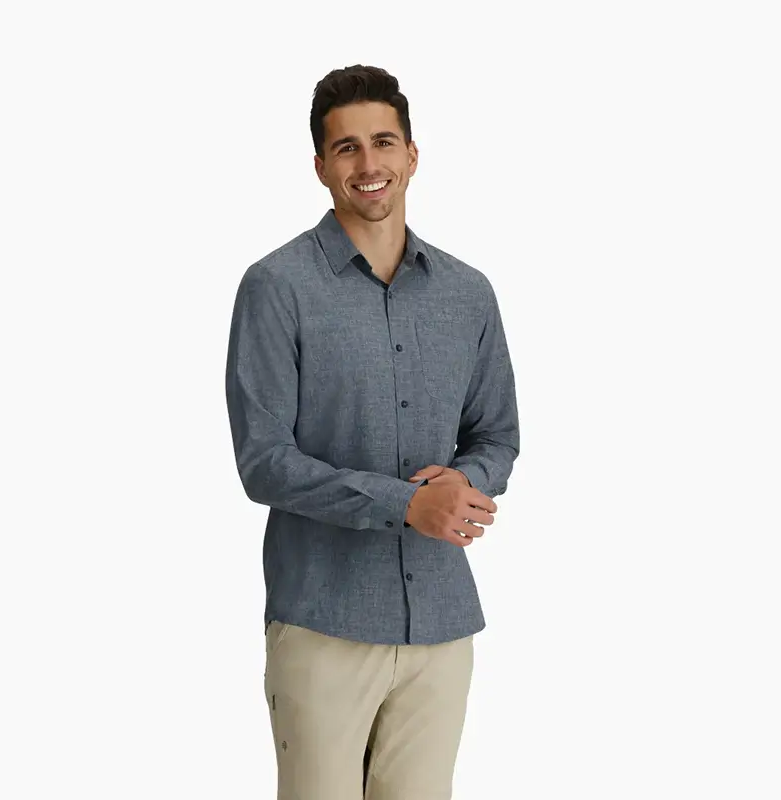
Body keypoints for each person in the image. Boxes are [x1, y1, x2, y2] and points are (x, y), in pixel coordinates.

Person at [225, 64, 520, 800]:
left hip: (441, 627)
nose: (368, 163)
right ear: (321, 166)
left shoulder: (468, 293)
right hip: (323, 623)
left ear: (412, 155)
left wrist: (465, 483)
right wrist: (405, 503)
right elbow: (263, 460)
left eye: (383, 142)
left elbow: (497, 434)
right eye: (346, 147)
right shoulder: (277, 287)